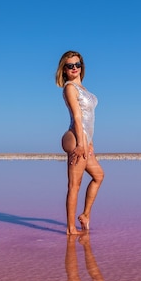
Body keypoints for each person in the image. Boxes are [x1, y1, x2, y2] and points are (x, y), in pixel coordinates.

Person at [55, 51, 104, 235]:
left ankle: (85, 215)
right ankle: (70, 228)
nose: (74, 68)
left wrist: (90, 143)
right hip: (75, 137)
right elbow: (77, 117)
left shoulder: (84, 89)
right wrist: (81, 144)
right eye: (70, 66)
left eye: (77, 64)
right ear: (64, 70)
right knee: (74, 184)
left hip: (85, 139)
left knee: (98, 176)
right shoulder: (69, 88)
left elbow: (89, 119)